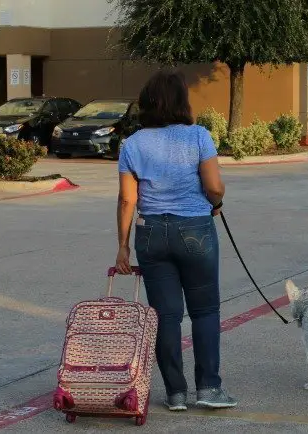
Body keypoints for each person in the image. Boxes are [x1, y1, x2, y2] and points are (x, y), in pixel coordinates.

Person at [114, 68, 237, 411]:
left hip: (151, 233)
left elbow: (127, 199)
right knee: (205, 311)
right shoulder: (199, 136)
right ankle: (209, 389)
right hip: (195, 230)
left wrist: (123, 246)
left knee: (166, 316)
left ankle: (175, 394)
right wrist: (216, 203)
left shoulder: (133, 143)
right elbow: (213, 186)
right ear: (182, 101)